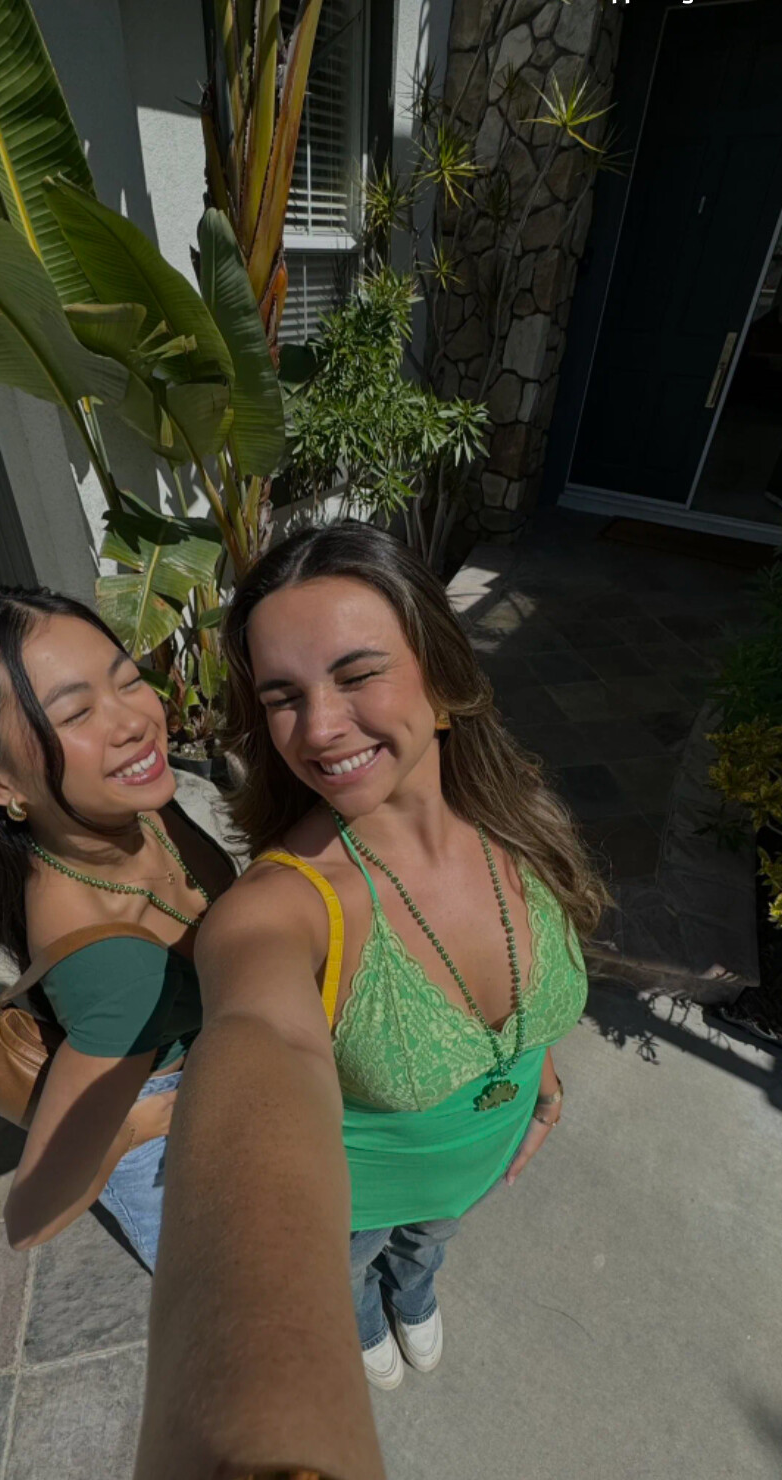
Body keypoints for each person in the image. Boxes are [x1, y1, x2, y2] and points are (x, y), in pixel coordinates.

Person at [0, 986, 449, 1480]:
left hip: (209, 1062)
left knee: (255, 1251)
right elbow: (31, 1217)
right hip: (144, 1098)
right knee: (203, 1269)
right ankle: (354, 1315)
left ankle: (368, 1307)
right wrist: (138, 1121)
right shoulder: (96, 963)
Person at [198, 521, 606, 1389]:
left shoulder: (518, 817)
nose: (317, 728)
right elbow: (246, 1019)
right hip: (352, 1205)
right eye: (282, 696)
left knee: (428, 1240)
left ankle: (413, 1290)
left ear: (445, 678)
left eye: (356, 675)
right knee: (353, 1262)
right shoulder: (284, 907)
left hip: (476, 1162)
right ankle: (356, 1313)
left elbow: (523, 1009)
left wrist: (541, 1079)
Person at [0, 587, 234, 1267]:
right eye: (77, 712)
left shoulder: (125, 808)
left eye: (128, 679)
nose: (135, 721)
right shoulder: (117, 969)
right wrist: (134, 1121)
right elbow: (33, 1214)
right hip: (167, 1140)